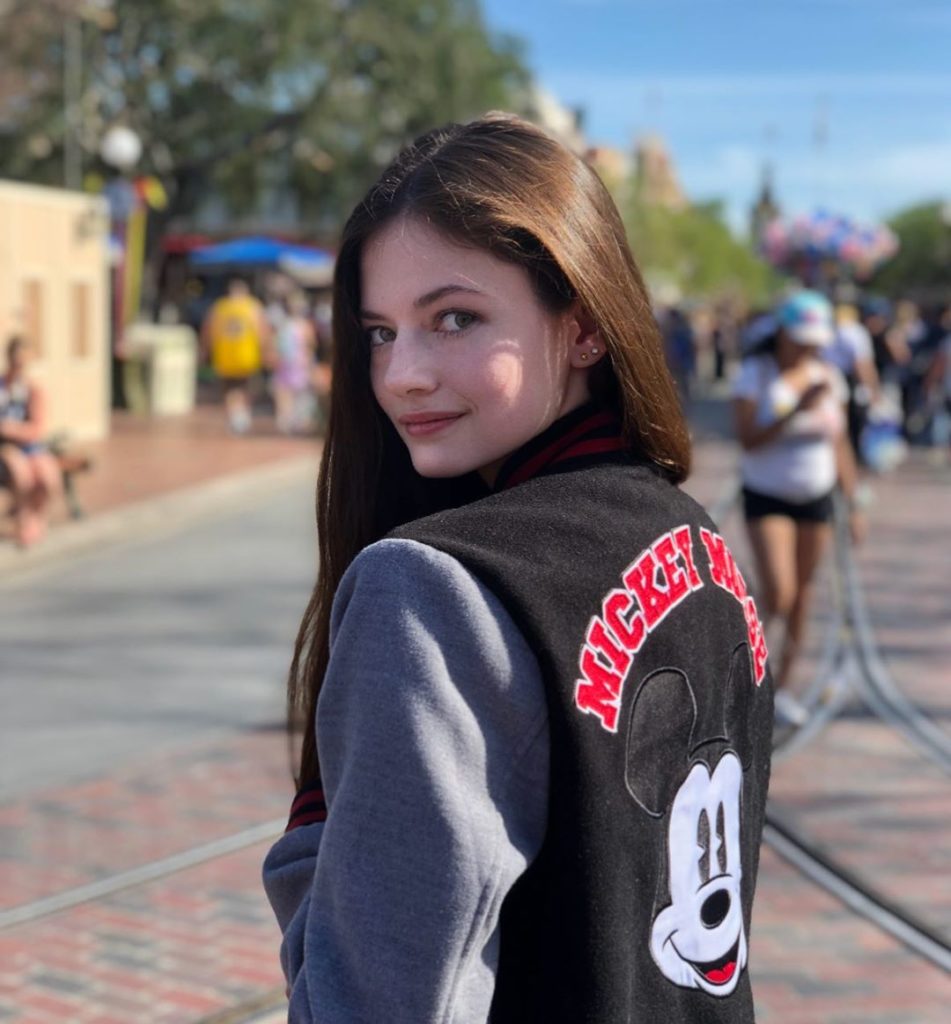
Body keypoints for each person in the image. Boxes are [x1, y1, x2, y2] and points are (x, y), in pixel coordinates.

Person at [263, 114, 773, 1024]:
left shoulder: (428, 589)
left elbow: (379, 1002)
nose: (402, 374)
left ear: (582, 327)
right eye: (379, 332)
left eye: (454, 319)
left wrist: (314, 849)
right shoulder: (693, 540)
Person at [732, 291, 863, 724]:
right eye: (801, 339)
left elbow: (840, 444)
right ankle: (741, 669)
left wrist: (854, 501)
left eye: (815, 341)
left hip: (816, 496)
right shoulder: (756, 373)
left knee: (803, 597)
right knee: (780, 592)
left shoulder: (828, 375)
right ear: (783, 333)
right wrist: (796, 410)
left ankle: (783, 688)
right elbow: (748, 439)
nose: (808, 348)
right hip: (767, 493)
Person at [0, 336, 62, 547]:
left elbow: (37, 428)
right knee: (21, 473)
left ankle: (38, 518)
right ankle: (24, 520)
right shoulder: (2, 386)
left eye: (23, 360)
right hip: (6, 447)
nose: (19, 364)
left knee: (47, 476)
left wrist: (11, 428)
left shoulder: (32, 389)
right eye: (15, 359)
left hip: (30, 446)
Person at [200, 277, 271, 433]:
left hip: (224, 356)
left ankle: (236, 415)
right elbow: (261, 331)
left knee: (229, 388)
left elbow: (208, 331)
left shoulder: (220, 307)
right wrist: (266, 351)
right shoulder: (252, 306)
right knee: (245, 386)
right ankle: (241, 415)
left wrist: (205, 351)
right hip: (247, 355)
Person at [272, 290, 318, 434]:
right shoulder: (286, 324)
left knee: (299, 393)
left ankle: (296, 421)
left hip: (298, 364)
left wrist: (309, 362)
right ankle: (288, 420)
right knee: (287, 392)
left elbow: (311, 345)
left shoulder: (302, 325)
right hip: (288, 364)